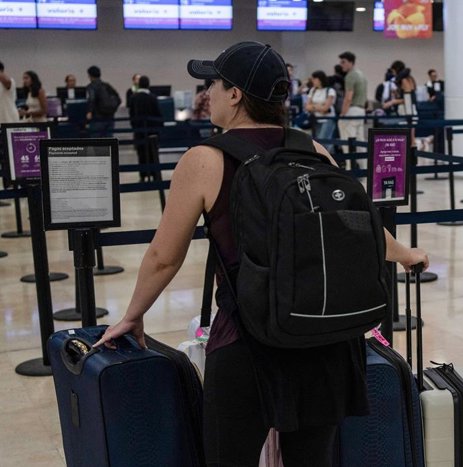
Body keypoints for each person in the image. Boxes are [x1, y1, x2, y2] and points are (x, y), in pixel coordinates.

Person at [94, 41, 428, 466]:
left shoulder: (205, 159)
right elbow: (358, 228)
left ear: (235, 94)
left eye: (213, 83)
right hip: (323, 342)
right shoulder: (314, 151)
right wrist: (406, 255)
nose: (206, 93)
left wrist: (132, 315)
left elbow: (164, 255)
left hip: (246, 344)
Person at [129, 75, 162, 181]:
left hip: (139, 132)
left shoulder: (133, 98)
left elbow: (132, 115)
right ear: (148, 84)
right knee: (153, 153)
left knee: (141, 154)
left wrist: (135, 128)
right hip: (152, 131)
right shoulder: (153, 98)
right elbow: (158, 114)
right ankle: (155, 175)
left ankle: (143, 176)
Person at [337, 51, 367, 154]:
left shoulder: (350, 76)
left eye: (343, 62)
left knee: (348, 140)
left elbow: (348, 97)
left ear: (351, 62)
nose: (341, 65)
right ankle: (364, 167)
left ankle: (349, 167)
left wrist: (343, 113)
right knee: (360, 140)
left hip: (352, 110)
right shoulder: (361, 74)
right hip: (361, 110)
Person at [305, 70, 336, 152]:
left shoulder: (330, 91)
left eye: (314, 79)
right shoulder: (313, 90)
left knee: (324, 141)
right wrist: (319, 106)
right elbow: (307, 106)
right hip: (316, 119)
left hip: (328, 119)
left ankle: (331, 161)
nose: (313, 81)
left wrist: (314, 106)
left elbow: (326, 108)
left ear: (320, 79)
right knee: (318, 142)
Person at [86, 65, 120, 137]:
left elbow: (91, 99)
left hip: (97, 118)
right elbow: (118, 99)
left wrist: (89, 111)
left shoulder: (91, 86)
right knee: (109, 142)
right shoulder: (107, 85)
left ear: (90, 75)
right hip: (110, 117)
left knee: (96, 142)